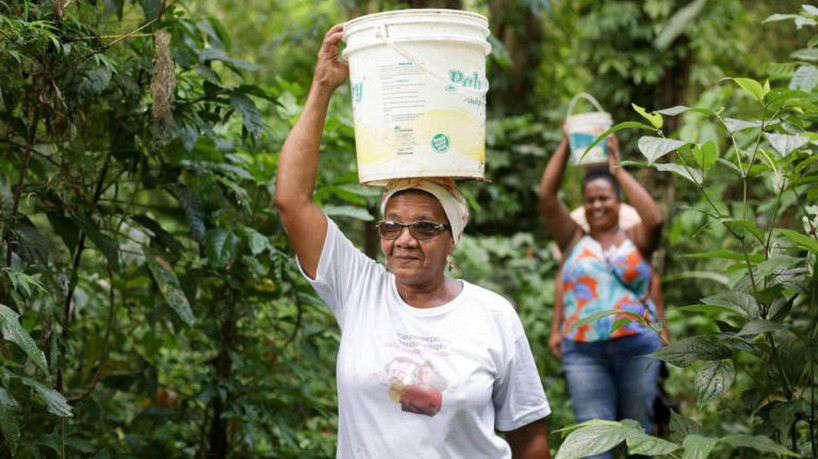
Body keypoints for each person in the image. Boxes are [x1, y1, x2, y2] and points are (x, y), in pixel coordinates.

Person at [275, 23, 551, 458]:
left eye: (425, 228)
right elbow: (292, 201)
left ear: (453, 239)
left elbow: (530, 439)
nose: (404, 240)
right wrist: (323, 85)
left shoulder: (493, 316)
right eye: (392, 226)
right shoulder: (360, 290)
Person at [539, 126, 665, 459]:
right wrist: (566, 144)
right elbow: (547, 197)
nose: (596, 205)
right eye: (590, 199)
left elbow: (655, 219)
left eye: (604, 198)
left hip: (637, 343)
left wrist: (618, 169)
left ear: (618, 202)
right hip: (583, 351)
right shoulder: (573, 240)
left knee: (640, 434)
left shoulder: (636, 238)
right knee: (594, 438)